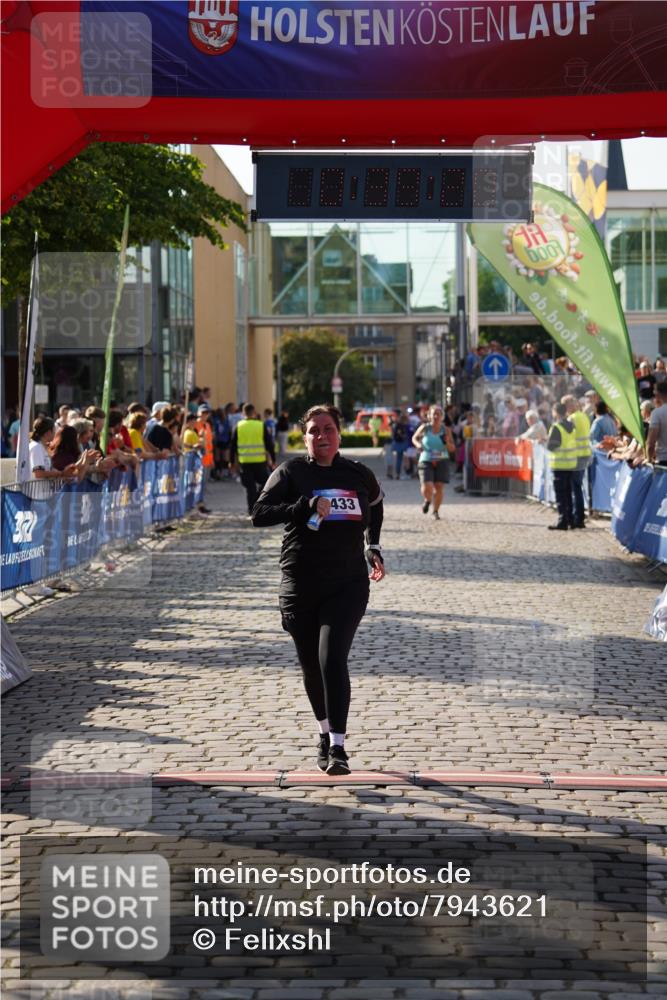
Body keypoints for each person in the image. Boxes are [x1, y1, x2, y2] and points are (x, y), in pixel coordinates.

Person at [251, 404, 385, 775]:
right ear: (304, 436)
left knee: (331, 660)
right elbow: (259, 514)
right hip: (300, 582)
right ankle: (324, 735)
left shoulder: (357, 474)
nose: (321, 437)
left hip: (347, 584)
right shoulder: (291, 472)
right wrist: (302, 506)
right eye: (314, 431)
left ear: (339, 434)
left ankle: (339, 747)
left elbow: (375, 506)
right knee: (311, 664)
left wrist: (373, 545)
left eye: (328, 429)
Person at [231, 402, 276, 514]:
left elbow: (232, 446)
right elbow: (269, 445)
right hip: (260, 461)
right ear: (254, 413)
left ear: (243, 413)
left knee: (249, 487)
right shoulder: (261, 425)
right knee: (265, 484)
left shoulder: (238, 426)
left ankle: (251, 510)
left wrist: (231, 462)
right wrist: (273, 460)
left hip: (244, 462)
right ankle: (258, 503)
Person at [412, 405, 454, 521]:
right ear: (429, 415)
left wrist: (447, 444)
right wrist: (418, 445)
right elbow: (414, 438)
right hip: (426, 459)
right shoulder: (425, 428)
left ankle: (435, 511)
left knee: (439, 487)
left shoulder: (446, 430)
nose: (436, 416)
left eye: (438, 414)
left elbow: (452, 448)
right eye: (433, 414)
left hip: (442, 459)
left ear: (442, 417)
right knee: (427, 486)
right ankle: (427, 500)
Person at [545, 402, 578, 530]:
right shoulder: (572, 426)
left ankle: (562, 521)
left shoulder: (556, 427)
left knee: (560, 495)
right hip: (571, 464)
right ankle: (570, 520)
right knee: (569, 494)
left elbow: (551, 446)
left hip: (559, 465)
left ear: (556, 412)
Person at [562, 394, 592, 529]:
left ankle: (578, 518)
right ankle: (579, 517)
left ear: (569, 406)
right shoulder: (584, 416)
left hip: (576, 456)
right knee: (577, 487)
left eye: (565, 406)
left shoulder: (572, 419)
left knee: (576, 488)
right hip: (585, 454)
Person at [647, 381, 667, 467]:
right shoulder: (657, 413)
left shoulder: (657, 413)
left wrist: (649, 459)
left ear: (658, 394)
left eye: (654, 392)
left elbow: (651, 443)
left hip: (664, 461)